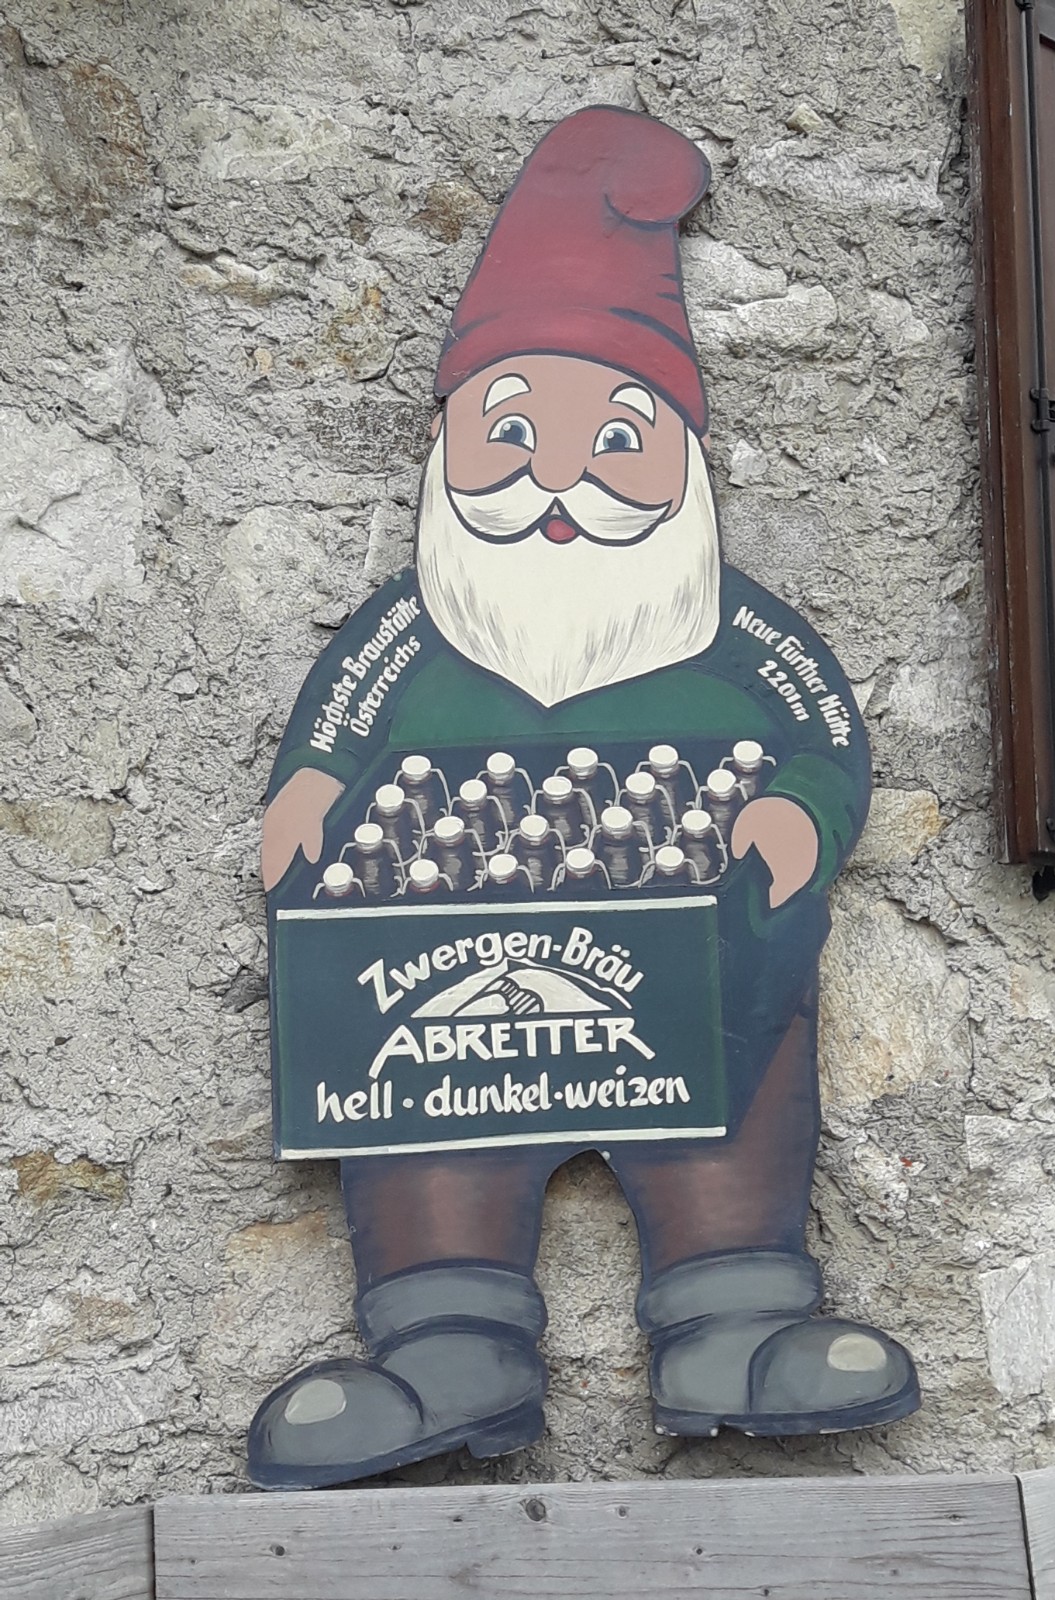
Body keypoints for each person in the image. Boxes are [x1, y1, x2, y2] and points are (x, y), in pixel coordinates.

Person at [248, 106, 919, 1490]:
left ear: (682, 462)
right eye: (513, 432)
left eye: (615, 438)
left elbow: (820, 730)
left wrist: (799, 812)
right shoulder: (409, 628)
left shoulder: (738, 626)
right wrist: (311, 787)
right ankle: (443, 1351)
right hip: (439, 947)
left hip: (706, 943)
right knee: (428, 1111)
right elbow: (338, 723)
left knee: (733, 1089)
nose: (558, 477)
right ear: (449, 444)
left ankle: (739, 1323)